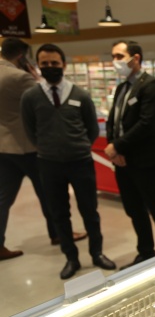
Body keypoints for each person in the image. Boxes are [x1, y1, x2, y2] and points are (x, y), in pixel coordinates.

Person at [21, 43, 116, 279]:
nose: (50, 67)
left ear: (64, 64)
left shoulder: (80, 95)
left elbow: (92, 129)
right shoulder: (30, 97)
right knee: (59, 213)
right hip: (48, 164)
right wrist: (47, 147)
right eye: (45, 64)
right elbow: (29, 130)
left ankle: (97, 253)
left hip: (80, 161)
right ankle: (71, 258)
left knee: (89, 210)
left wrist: (79, 145)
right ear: (38, 66)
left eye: (54, 63)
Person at [2, 38, 85, 261]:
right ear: (22, 56)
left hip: (3, 147)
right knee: (49, 195)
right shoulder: (20, 78)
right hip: (29, 147)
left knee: (3, 198)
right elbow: (47, 98)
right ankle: (58, 234)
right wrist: (35, 76)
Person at [105, 40, 155, 268]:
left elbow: (147, 124)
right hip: (124, 163)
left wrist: (118, 146)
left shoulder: (152, 86)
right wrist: (114, 148)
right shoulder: (122, 88)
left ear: (135, 58)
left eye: (119, 56)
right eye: (114, 57)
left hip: (147, 162)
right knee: (135, 210)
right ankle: (145, 252)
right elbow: (113, 121)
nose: (115, 61)